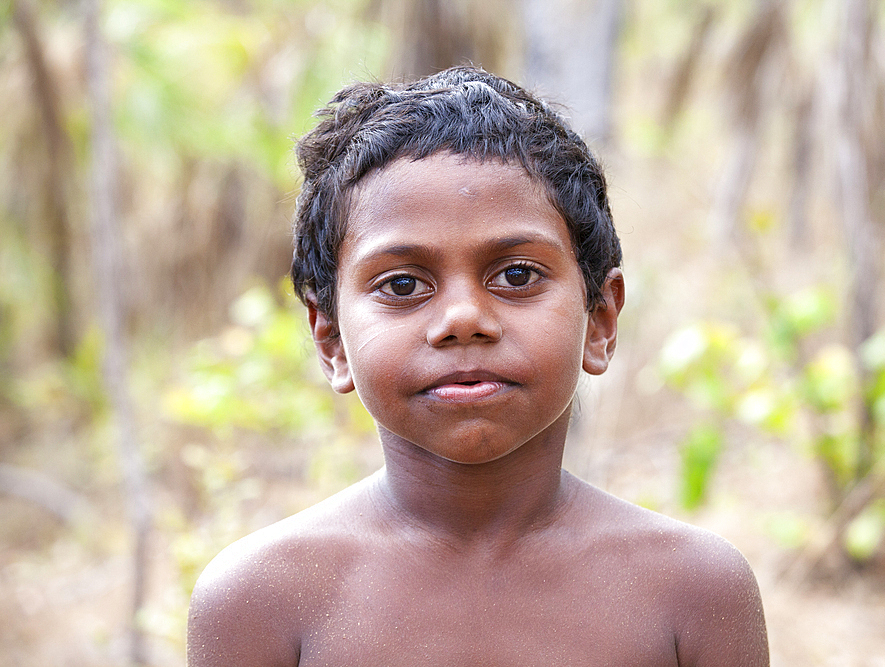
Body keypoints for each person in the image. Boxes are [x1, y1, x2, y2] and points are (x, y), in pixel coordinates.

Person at [187, 66, 769, 666]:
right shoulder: (262, 601)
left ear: (600, 318)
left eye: (516, 275)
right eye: (404, 284)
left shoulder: (693, 592)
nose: (464, 318)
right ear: (332, 338)